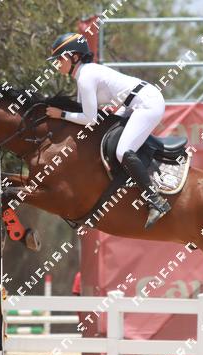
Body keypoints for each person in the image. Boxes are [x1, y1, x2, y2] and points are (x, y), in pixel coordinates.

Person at [44, 32, 169, 229]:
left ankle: (156, 201)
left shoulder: (85, 76)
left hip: (147, 104)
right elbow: (85, 115)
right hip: (132, 104)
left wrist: (61, 114)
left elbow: (90, 119)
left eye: (60, 59)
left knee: (122, 151)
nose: (57, 63)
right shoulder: (84, 74)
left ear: (74, 57)